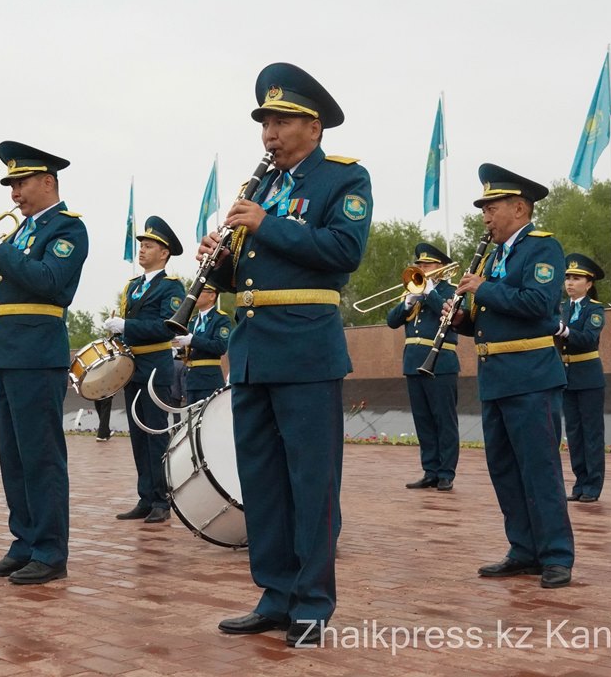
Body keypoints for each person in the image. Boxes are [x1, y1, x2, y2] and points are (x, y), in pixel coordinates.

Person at [201, 62, 372, 647]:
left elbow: (343, 250)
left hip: (305, 351)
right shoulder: (264, 186)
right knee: (263, 482)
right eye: (265, 124)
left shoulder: (343, 179)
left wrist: (265, 224)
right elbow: (247, 276)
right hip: (252, 351)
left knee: (311, 481)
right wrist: (218, 261)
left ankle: (313, 604)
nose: (269, 134)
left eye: (280, 122)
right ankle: (274, 595)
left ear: (313, 127)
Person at [0, 140, 88, 584]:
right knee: (13, 458)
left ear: (48, 182)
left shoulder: (68, 228)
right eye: (11, 185)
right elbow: (0, 291)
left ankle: (50, 551)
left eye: (21, 183)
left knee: (41, 457)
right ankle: (24, 543)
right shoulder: (20, 234)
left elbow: (49, 281)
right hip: (8, 352)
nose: (14, 193)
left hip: (37, 353)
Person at [446, 163, 574, 589]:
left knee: (539, 469)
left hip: (531, 377)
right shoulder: (496, 255)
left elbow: (538, 304)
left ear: (519, 208)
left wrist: (481, 288)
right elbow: (490, 318)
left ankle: (556, 555)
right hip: (496, 377)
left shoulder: (542, 248)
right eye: (484, 209)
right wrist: (461, 317)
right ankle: (523, 549)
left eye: (491, 207)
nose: (485, 217)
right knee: (504, 469)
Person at [104, 216, 186, 524]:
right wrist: (118, 333)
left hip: (155, 367)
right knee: (138, 436)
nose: (142, 250)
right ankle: (146, 497)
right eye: (142, 245)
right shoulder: (133, 286)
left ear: (164, 253)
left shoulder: (171, 287)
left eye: (149, 246)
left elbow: (167, 327)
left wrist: (127, 325)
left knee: (155, 435)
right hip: (132, 368)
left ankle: (162, 500)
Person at [386, 243, 460, 492]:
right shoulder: (412, 290)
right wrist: (407, 303)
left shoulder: (452, 291)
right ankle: (430, 471)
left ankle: (446, 473)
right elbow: (391, 321)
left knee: (444, 420)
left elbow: (451, 317)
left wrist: (430, 294)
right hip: (413, 361)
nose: (422, 268)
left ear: (441, 267)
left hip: (441, 361)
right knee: (423, 420)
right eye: (419, 264)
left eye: (427, 265)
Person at [559, 254, 607, 503]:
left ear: (588, 284)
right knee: (574, 434)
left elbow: (588, 338)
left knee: (591, 433)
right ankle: (580, 482)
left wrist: (565, 331)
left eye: (576, 278)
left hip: (588, 377)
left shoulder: (594, 309)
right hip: (567, 377)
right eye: (568, 277)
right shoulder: (562, 308)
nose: (570, 282)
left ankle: (593, 486)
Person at [172, 284, 231, 405]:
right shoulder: (193, 320)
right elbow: (193, 350)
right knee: (192, 416)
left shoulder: (220, 318)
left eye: (200, 292)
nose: (195, 295)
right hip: (191, 379)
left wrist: (193, 340)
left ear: (212, 296)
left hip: (209, 380)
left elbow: (220, 346)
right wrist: (178, 351)